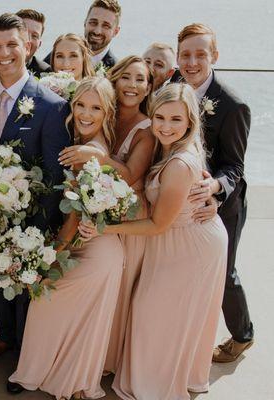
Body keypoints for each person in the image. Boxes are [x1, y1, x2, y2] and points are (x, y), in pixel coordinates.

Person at [93, 83, 228, 399]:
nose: (166, 127)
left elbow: (157, 223)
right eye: (160, 118)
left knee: (156, 313)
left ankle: (156, 386)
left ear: (190, 122)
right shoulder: (168, 147)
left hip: (190, 245)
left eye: (175, 120)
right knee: (161, 313)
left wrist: (106, 228)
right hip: (175, 238)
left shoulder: (179, 163)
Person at [8, 77, 124, 399]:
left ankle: (57, 378)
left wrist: (52, 254)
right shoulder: (84, 141)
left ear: (107, 112)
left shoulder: (90, 151)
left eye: (96, 108)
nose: (86, 114)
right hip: (84, 244)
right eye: (81, 105)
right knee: (64, 315)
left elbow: (75, 211)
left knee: (49, 304)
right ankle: (43, 375)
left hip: (95, 251)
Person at [0, 13, 71, 368]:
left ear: (28, 46)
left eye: (11, 45)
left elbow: (53, 175)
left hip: (28, 221)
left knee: (23, 293)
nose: (4, 54)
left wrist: (37, 232)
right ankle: (5, 335)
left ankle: (27, 353)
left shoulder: (50, 105)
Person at [59, 56, 154, 375]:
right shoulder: (97, 109)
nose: (132, 85)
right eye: (126, 77)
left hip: (126, 214)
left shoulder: (146, 128)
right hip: (96, 207)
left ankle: (106, 362)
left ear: (149, 86)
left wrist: (96, 155)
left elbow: (128, 175)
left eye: (141, 79)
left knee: (119, 289)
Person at [173, 23, 253, 362]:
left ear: (214, 56)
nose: (192, 62)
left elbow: (234, 166)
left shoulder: (233, 106)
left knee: (224, 274)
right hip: (182, 201)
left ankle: (243, 334)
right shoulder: (173, 86)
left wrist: (216, 189)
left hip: (224, 204)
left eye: (200, 54)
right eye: (185, 55)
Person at [43, 0, 121, 69]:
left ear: (116, 32)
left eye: (106, 26)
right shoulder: (58, 55)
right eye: (93, 22)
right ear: (85, 23)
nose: (97, 31)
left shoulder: (117, 71)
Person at [15, 9, 51, 77]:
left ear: (39, 44)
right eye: (24, 32)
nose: (28, 40)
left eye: (34, 36)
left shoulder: (47, 73)